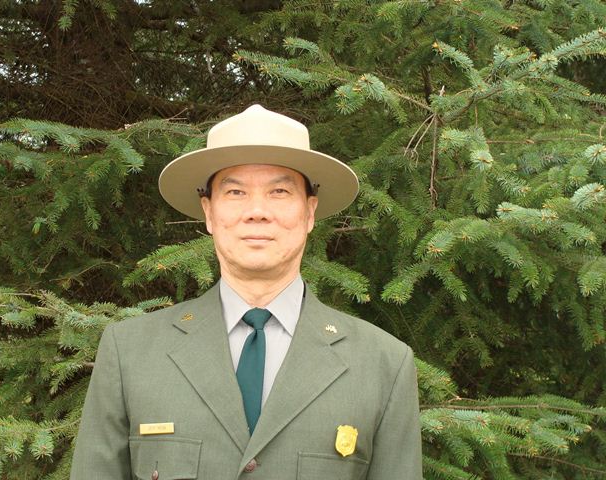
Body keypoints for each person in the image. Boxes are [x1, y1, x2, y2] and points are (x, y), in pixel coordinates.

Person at [70, 105, 422, 479]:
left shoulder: (383, 364)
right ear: (209, 212)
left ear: (310, 212)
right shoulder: (131, 353)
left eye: (280, 191)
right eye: (235, 191)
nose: (257, 211)